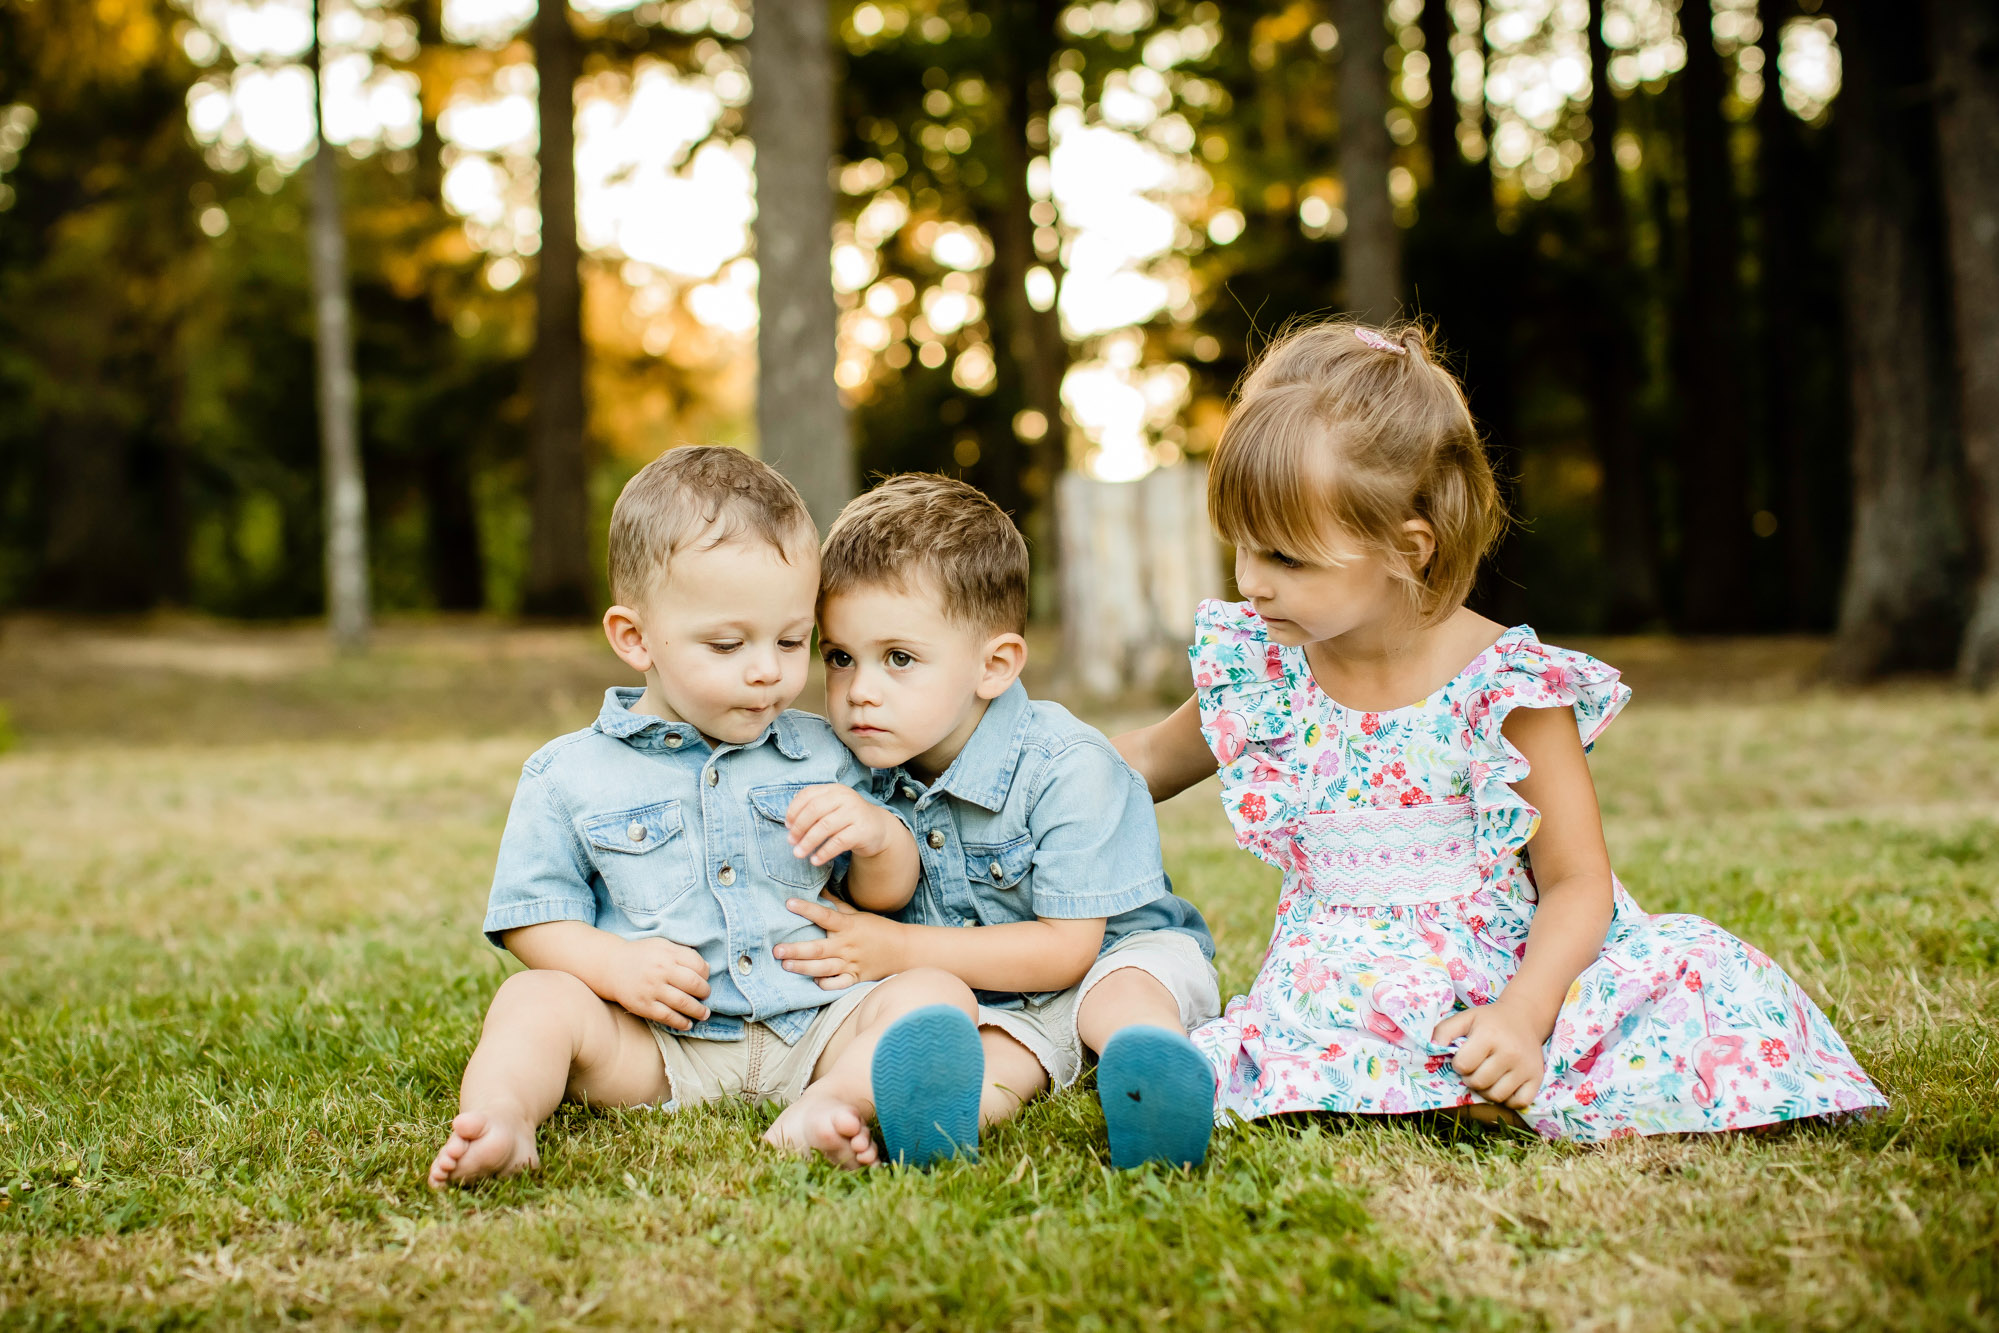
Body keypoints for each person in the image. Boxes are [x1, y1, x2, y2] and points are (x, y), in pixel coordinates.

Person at [1113, 320, 1887, 1138]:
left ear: (1407, 548)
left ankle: (1504, 1059)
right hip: (1338, 988)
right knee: (1263, 1054)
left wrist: (1521, 1012)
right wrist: (1013, 767)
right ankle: (1415, 1080)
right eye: (1242, 549)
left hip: (1512, 976)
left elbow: (1577, 881)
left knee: (1697, 975)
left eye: (1288, 559)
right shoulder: (1263, 668)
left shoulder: (1504, 687)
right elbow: (1141, 763)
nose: (1252, 584)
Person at [428, 447, 985, 1186]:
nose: (766, 669)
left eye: (791, 642)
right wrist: (613, 966)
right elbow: (532, 916)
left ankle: (828, 1104)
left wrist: (879, 835)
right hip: (656, 1047)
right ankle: (501, 1118)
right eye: (728, 644)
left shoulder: (828, 753)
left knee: (935, 991)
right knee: (533, 999)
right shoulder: (569, 773)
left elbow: (884, 897)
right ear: (634, 639)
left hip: (815, 1024)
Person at [768, 475, 1223, 1168]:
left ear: (994, 665)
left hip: (1116, 954)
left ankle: (1153, 1070)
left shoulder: (1067, 765)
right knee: (994, 1052)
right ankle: (933, 1126)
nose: (859, 689)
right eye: (838, 657)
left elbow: (1066, 952)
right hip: (995, 998)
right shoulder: (859, 772)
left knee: (1115, 999)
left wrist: (895, 950)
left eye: (898, 658)